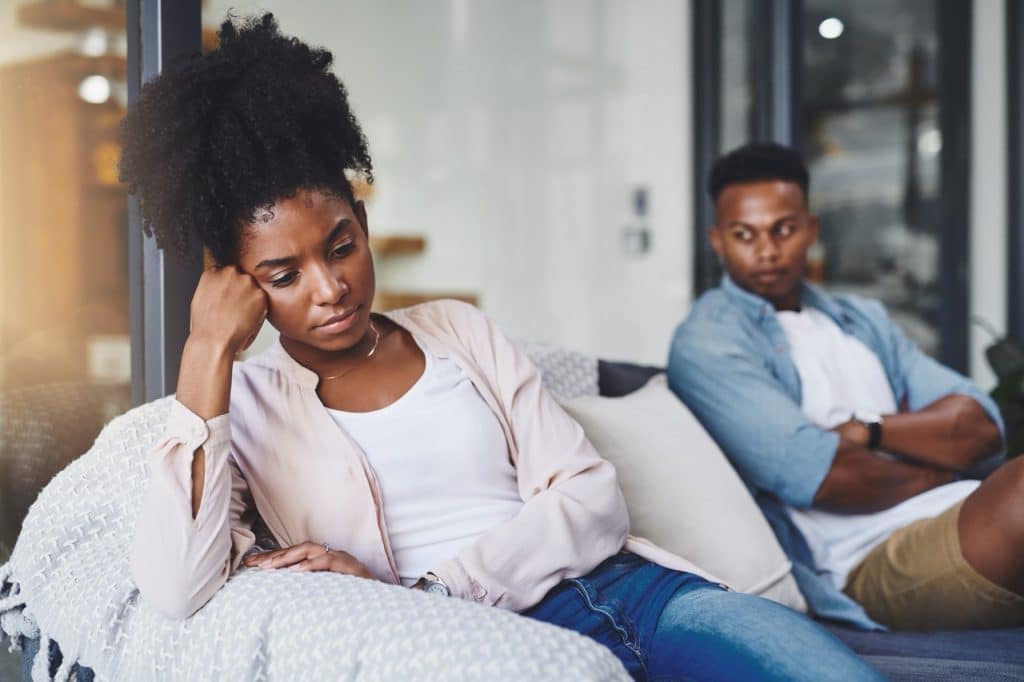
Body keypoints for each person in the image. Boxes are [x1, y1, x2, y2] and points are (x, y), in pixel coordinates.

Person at [121, 16, 881, 680]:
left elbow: (590, 499)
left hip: (628, 592)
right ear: (240, 282)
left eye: (342, 246)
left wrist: (440, 588)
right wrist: (207, 351)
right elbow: (178, 586)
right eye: (284, 274)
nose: (330, 288)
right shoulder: (244, 407)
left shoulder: (458, 330)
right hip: (477, 648)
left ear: (360, 219)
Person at [668, 142, 1024, 632]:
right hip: (865, 559)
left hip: (960, 509)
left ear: (811, 229)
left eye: (783, 229)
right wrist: (932, 466)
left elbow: (979, 427)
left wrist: (867, 430)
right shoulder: (708, 341)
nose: (767, 250)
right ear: (717, 240)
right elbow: (821, 476)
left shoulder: (861, 320)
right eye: (744, 234)